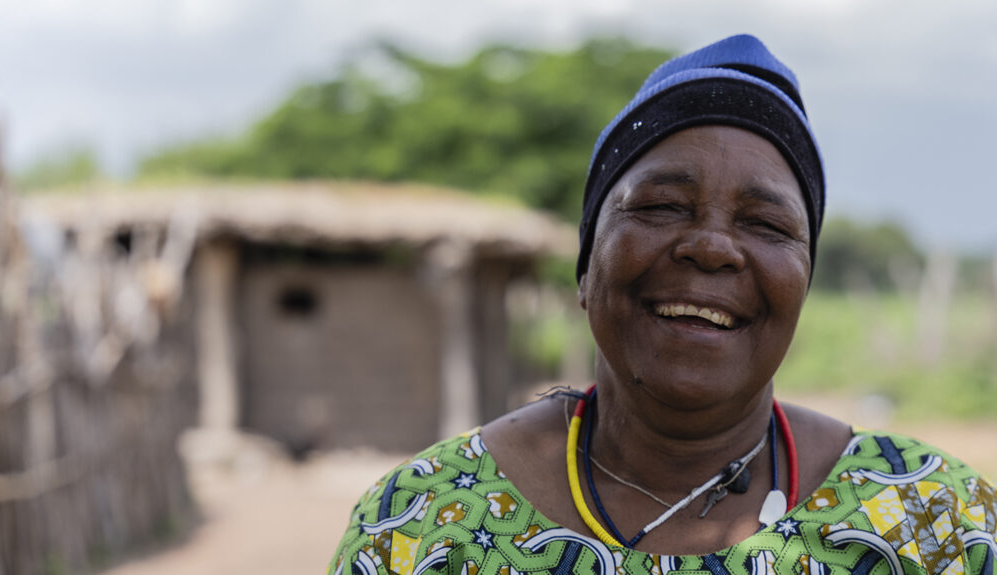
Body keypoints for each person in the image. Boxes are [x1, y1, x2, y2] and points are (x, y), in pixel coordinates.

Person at [328, 34, 997, 575]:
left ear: (803, 285)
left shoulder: (935, 522)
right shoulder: (421, 526)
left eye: (766, 224)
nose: (712, 247)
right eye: (661, 206)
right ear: (586, 266)